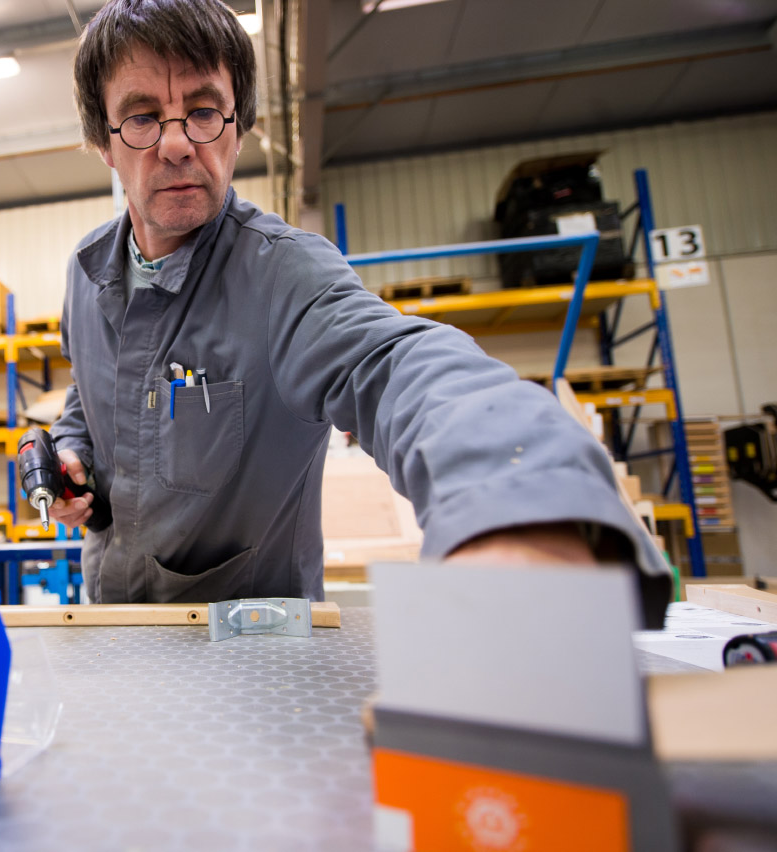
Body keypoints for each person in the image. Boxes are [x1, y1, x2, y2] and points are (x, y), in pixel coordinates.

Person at [47, 0, 669, 624]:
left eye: (204, 111)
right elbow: (90, 396)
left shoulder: (282, 275)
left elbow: (398, 366)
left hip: (251, 652)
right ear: (103, 142)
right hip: (111, 628)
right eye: (142, 117)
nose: (178, 143)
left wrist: (517, 506)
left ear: (240, 126)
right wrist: (71, 454)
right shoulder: (86, 270)